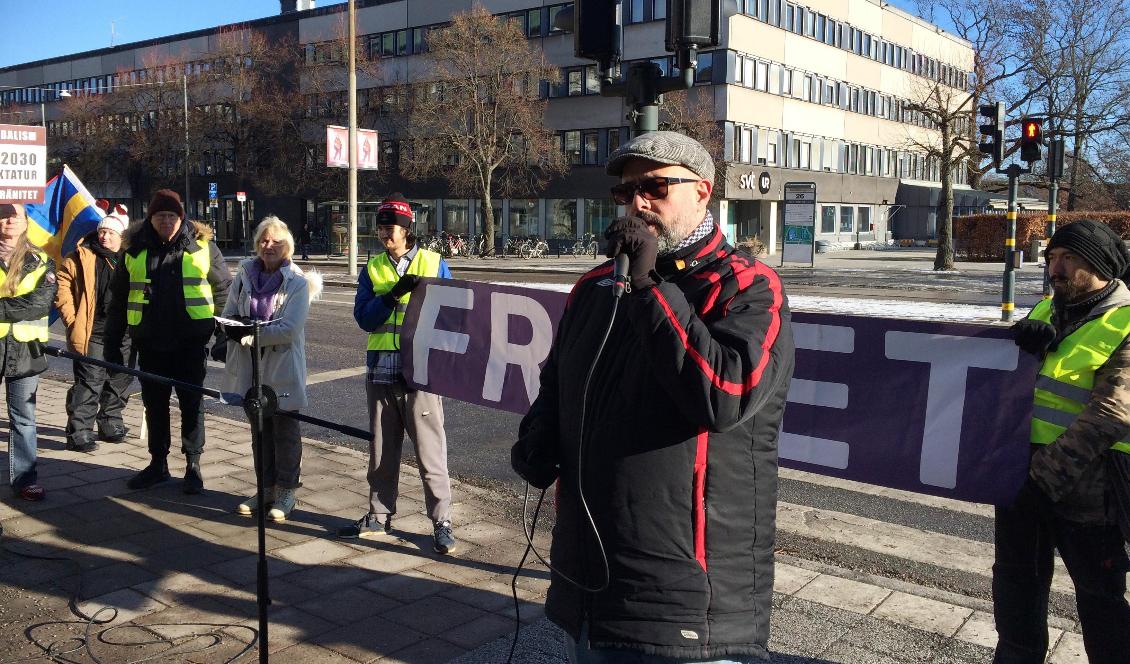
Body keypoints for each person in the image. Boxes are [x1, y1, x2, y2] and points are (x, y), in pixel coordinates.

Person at [511, 131, 795, 662]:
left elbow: (725, 394)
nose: (639, 203)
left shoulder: (746, 286)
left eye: (656, 187)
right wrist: (540, 433)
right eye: (625, 193)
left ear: (704, 191)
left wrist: (649, 289)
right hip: (592, 580)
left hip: (685, 594)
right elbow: (561, 381)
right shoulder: (595, 286)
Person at [996, 220, 1130, 664]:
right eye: (1052, 257)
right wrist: (1015, 340)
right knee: (1017, 590)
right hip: (1022, 482)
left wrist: (1040, 480)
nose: (1054, 268)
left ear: (1099, 265)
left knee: (1102, 606)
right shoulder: (1045, 311)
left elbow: (1111, 414)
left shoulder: (1126, 321)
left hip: (1090, 494)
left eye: (1067, 258)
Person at [340, 192, 458, 555]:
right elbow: (364, 319)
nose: (383, 235)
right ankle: (378, 514)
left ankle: (441, 521)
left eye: (390, 228)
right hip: (382, 371)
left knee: (430, 450)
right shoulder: (373, 268)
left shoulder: (433, 263)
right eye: (380, 228)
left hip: (421, 373)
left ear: (407, 230)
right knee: (381, 449)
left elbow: (453, 316)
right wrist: (391, 296)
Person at [104, 189, 231, 494]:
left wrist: (224, 336)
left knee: (192, 405)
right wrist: (113, 341)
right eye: (161, 216)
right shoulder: (133, 251)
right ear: (151, 218)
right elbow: (119, 299)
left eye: (172, 216)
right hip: (151, 343)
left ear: (181, 217)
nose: (167, 221)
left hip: (189, 343)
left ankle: (193, 465)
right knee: (155, 406)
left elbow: (224, 291)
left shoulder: (202, 247)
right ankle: (157, 464)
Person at [222, 216, 322, 522]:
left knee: (285, 432)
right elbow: (228, 313)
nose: (269, 246)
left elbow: (289, 328)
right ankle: (264, 488)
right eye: (264, 241)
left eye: (276, 241)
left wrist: (250, 335)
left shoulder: (297, 282)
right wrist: (229, 329)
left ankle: (286, 491)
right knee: (259, 431)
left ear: (287, 246)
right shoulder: (244, 276)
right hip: (250, 366)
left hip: (282, 366)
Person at [55, 203, 133, 453]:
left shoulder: (131, 258)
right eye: (102, 231)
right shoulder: (82, 254)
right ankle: (79, 432)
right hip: (94, 330)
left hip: (125, 333)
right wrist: (70, 317)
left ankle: (111, 423)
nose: (105, 236)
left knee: (119, 380)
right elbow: (63, 284)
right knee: (90, 381)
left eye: (111, 233)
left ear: (122, 236)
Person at [0, 204, 56, 502]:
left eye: (15, 216)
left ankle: (25, 479)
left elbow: (37, 304)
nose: (9, 220)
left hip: (26, 350)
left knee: (24, 417)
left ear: (25, 223)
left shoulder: (42, 261)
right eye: (3, 214)